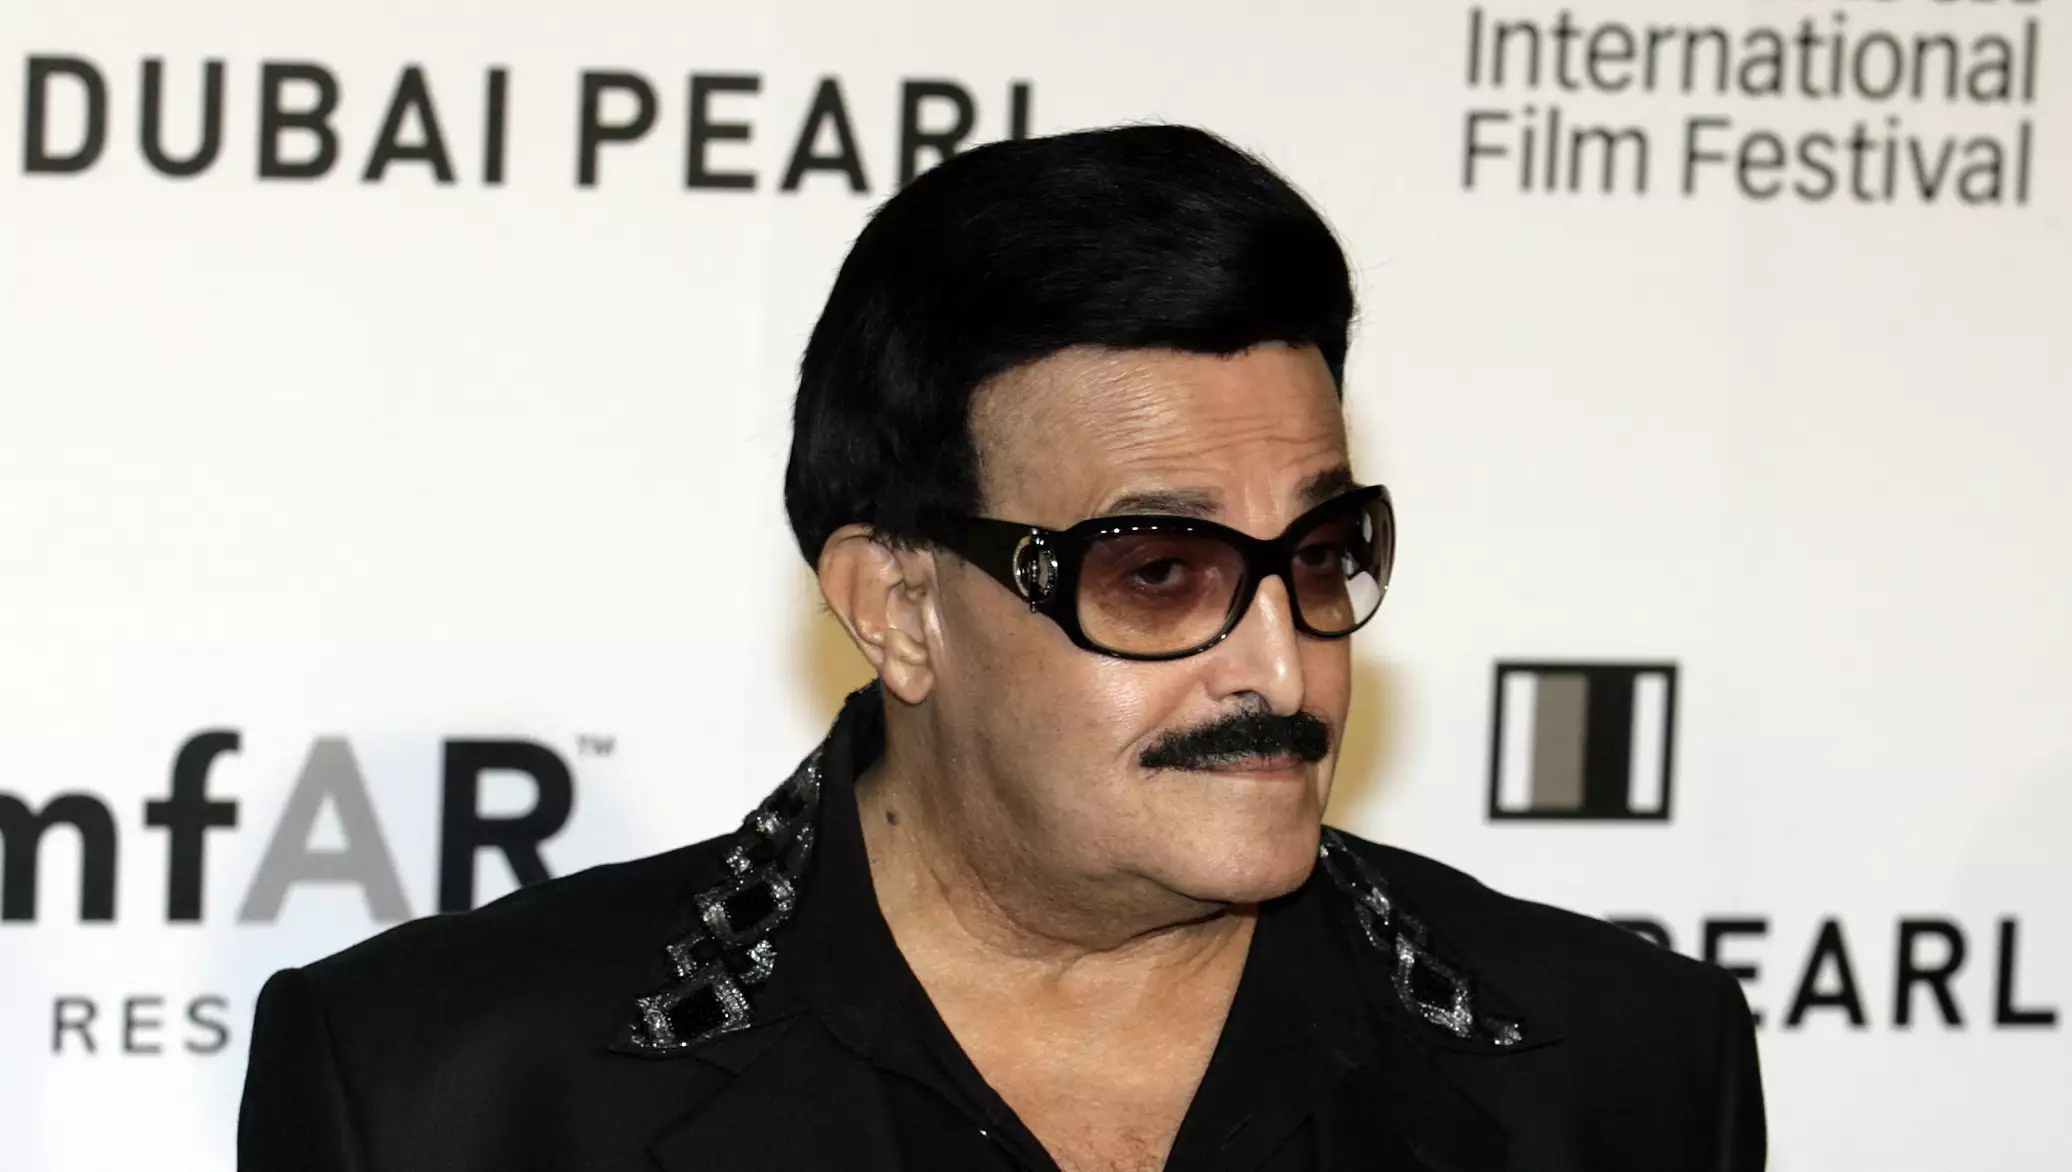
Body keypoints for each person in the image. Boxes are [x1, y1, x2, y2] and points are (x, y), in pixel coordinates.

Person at [239, 124, 1765, 1172]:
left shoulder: (1619, 1070)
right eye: (1157, 571)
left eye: (1316, 556)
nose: (1285, 669)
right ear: (898, 607)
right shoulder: (442, 1095)